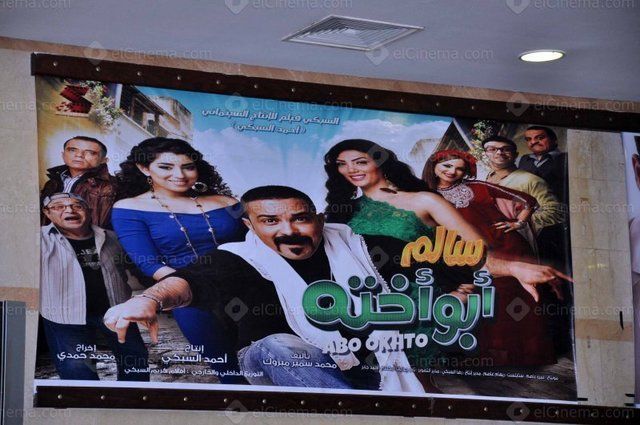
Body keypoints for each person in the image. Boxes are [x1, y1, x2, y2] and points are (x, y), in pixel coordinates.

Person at [104, 186, 424, 392]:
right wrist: (149, 299)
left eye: (301, 219)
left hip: (366, 363)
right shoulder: (237, 257)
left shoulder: (359, 245)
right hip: (270, 361)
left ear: (319, 219)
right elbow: (188, 281)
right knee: (279, 345)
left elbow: (430, 261)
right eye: (270, 221)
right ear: (250, 226)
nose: (289, 231)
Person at [323, 139, 569, 305]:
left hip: (423, 302)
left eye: (360, 162)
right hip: (363, 303)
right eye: (342, 164)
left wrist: (512, 268)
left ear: (381, 162)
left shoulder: (424, 200)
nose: (351, 170)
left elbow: (477, 251)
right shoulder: (341, 212)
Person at [111, 137, 246, 383]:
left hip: (249, 289)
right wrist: (191, 289)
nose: (179, 175)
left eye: (188, 167)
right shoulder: (128, 208)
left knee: (274, 357)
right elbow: (149, 264)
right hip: (192, 298)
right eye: (166, 167)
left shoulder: (229, 202)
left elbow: (259, 245)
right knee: (229, 371)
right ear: (144, 168)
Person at [422, 150, 556, 366]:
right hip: (462, 255)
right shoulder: (424, 196)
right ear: (434, 166)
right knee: (483, 300)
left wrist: (519, 223)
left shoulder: (477, 187)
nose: (452, 172)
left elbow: (527, 200)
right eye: (447, 166)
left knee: (513, 298)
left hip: (504, 248)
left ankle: (525, 356)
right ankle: (487, 356)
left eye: (459, 169)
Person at [40, 193, 148, 381]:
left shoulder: (112, 237)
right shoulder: (38, 240)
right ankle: (86, 401)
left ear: (88, 211)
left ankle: (132, 399)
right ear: (47, 213)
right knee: (77, 370)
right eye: (59, 206)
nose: (69, 210)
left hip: (116, 311)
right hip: (64, 316)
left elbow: (138, 269)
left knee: (136, 362)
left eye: (77, 206)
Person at [40, 136, 119, 228]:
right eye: (72, 150)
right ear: (63, 155)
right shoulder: (52, 183)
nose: (79, 155)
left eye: (90, 152)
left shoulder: (113, 185)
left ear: (104, 160)